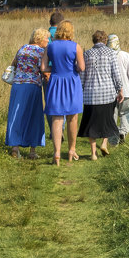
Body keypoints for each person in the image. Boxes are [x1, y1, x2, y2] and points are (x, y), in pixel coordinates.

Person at [42, 20, 84, 165]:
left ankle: (57, 153)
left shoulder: (50, 46)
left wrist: (53, 70)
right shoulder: (76, 46)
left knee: (57, 118)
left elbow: (43, 67)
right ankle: (71, 150)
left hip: (55, 81)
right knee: (73, 117)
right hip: (72, 82)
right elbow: (82, 67)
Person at [79, 30, 124, 160]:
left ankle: (93, 153)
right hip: (107, 94)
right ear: (105, 40)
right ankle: (104, 143)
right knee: (107, 120)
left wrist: (81, 91)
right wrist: (120, 89)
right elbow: (116, 74)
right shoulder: (111, 53)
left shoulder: (86, 54)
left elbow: (82, 76)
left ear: (93, 40)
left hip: (90, 95)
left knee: (90, 124)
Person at [5, 27, 49, 159]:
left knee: (16, 115)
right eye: (47, 38)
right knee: (34, 117)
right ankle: (32, 150)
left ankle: (15, 147)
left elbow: (14, 64)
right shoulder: (42, 52)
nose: (48, 40)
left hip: (18, 86)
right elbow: (44, 70)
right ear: (40, 39)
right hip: (32, 86)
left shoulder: (22, 48)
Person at [108, 34, 129, 143]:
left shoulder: (106, 56)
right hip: (125, 91)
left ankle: (113, 140)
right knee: (126, 112)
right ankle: (123, 131)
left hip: (110, 93)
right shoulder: (125, 55)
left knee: (112, 115)